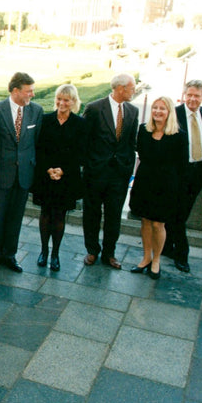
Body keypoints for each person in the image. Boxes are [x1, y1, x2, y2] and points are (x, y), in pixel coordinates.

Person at [0, 72, 43, 273]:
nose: (32, 95)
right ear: (15, 91)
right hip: (1, 175)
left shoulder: (36, 111)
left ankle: (10, 255)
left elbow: (35, 143)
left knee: (16, 217)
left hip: (24, 175)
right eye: (29, 91)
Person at [82, 73, 138, 270]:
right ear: (121, 88)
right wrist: (90, 166)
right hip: (96, 173)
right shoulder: (95, 108)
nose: (135, 90)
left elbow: (131, 142)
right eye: (132, 87)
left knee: (114, 216)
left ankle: (109, 254)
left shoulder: (133, 111)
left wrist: (128, 167)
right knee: (92, 213)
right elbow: (84, 141)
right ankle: (92, 250)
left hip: (119, 176)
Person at [129, 97, 188, 279]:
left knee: (158, 223)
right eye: (155, 108)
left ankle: (156, 260)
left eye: (162, 108)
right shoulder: (144, 130)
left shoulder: (179, 135)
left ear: (169, 112)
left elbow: (182, 166)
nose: (157, 111)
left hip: (166, 185)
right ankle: (146, 258)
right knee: (145, 221)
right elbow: (141, 155)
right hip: (145, 182)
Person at [31, 84, 87, 272]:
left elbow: (80, 153)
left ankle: (55, 253)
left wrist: (62, 170)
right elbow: (38, 147)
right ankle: (44, 251)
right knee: (45, 214)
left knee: (60, 215)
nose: (62, 103)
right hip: (46, 176)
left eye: (66, 100)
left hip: (67, 177)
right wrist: (48, 169)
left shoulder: (80, 124)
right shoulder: (45, 120)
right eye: (59, 99)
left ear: (73, 102)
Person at [166, 80, 202, 273]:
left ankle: (167, 247)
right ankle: (182, 254)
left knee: (181, 213)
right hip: (177, 174)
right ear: (184, 95)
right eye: (189, 95)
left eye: (197, 96)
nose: (192, 99)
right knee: (177, 215)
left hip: (198, 173)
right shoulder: (173, 114)